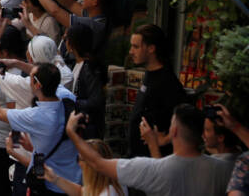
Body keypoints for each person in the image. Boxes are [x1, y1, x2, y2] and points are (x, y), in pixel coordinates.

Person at [67, 105, 234, 196]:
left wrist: (72, 133)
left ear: (174, 131)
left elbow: (97, 163)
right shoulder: (224, 168)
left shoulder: (153, 170)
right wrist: (235, 127)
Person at [0, 60, 81, 194]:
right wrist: (16, 63)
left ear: (37, 85)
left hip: (50, 187)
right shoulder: (65, 98)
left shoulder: (38, 116)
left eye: (30, 78)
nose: (28, 80)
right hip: (72, 181)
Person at [127, 24, 188, 159]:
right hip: (138, 158)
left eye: (136, 47)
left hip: (153, 161)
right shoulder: (150, 74)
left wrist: (166, 139)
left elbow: (186, 120)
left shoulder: (167, 82)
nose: (131, 51)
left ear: (151, 48)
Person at [0, 25, 29, 196]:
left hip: (4, 145)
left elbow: (13, 115)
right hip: (1, 143)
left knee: (1, 189)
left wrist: (13, 149)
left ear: (5, 52)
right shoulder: (12, 71)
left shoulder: (14, 77)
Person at [27, 0, 110, 59]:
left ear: (95, 2)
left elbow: (55, 12)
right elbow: (70, 4)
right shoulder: (93, 16)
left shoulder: (94, 25)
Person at [35, 137, 125, 196]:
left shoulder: (107, 193)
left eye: (79, 159)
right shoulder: (114, 184)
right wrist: (55, 179)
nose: (78, 163)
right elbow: (81, 192)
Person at [66, 22, 106, 139]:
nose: (64, 40)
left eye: (67, 38)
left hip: (87, 129)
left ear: (73, 43)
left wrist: (73, 102)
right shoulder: (75, 63)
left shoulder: (89, 68)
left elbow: (95, 100)